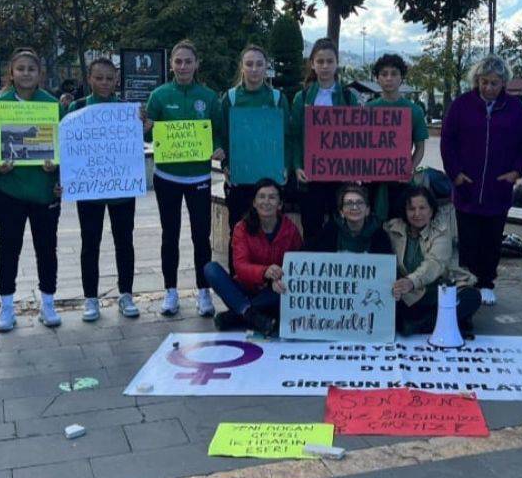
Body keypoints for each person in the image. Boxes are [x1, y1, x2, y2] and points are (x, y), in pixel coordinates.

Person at [440, 55, 522, 306]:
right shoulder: (461, 105)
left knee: (492, 239)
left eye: (494, 83)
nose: (488, 88)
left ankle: (486, 282)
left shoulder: (515, 109)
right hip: (466, 186)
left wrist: (516, 172)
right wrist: (455, 173)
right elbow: (447, 140)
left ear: (503, 83)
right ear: (476, 80)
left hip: (498, 187)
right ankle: (466, 282)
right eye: (484, 82)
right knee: (468, 239)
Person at [0, 48, 63, 332]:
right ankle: (7, 307)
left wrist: (56, 170)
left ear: (40, 73)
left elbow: (64, 148)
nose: (26, 73)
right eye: (21, 69)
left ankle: (48, 303)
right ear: (11, 73)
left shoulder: (53, 105)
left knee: (47, 249)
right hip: (10, 192)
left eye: (32, 68)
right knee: (8, 250)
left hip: (44, 193)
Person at [145, 39, 223, 318]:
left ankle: (204, 292)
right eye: (178, 61)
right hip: (166, 176)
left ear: (196, 64)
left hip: (199, 178)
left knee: (201, 236)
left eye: (188, 61)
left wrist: (219, 146)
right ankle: (170, 291)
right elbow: (146, 132)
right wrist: (145, 127)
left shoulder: (209, 97)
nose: (183, 66)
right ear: (171, 64)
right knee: (170, 234)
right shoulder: (159, 96)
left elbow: (219, 132)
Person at [67, 58, 141, 322]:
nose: (104, 83)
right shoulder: (76, 108)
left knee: (124, 242)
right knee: (90, 243)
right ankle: (90, 298)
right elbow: (68, 148)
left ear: (116, 80)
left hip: (121, 189)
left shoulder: (127, 110)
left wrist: (143, 127)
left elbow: (138, 142)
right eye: (99, 78)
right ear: (89, 78)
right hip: (89, 189)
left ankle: (126, 294)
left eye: (109, 79)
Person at [203, 178, 303, 336]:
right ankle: (251, 314)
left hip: (273, 290)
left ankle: (239, 313)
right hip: (245, 287)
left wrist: (281, 280)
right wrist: (264, 272)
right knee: (211, 269)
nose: (266, 202)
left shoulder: (290, 230)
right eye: (261, 197)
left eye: (272, 197)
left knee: (286, 293)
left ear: (280, 204)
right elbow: (240, 267)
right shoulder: (241, 228)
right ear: (254, 203)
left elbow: (299, 264)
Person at [290, 38, 361, 245]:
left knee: (341, 226)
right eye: (320, 61)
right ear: (312, 64)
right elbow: (295, 136)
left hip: (340, 175)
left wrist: (356, 166)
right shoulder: (301, 98)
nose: (325, 66)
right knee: (311, 226)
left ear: (337, 63)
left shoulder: (349, 98)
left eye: (329, 61)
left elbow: (357, 137)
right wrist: (297, 166)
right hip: (311, 177)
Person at [386, 186, 481, 337]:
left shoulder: (441, 230)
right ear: (404, 210)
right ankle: (450, 321)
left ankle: (422, 325)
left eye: (422, 208)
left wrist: (411, 281)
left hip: (438, 286)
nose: (417, 214)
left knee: (471, 297)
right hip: (409, 293)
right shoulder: (392, 228)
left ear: (431, 210)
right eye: (411, 209)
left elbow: (435, 263)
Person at [218, 44, 290, 237]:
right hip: (239, 178)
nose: (254, 69)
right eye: (249, 64)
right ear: (242, 66)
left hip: (269, 179)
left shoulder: (277, 98)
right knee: (238, 232)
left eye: (259, 64)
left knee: (270, 233)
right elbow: (222, 136)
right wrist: (225, 163)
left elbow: (288, 137)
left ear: (267, 66)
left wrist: (286, 166)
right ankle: (238, 269)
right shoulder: (230, 98)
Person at [367, 54, 428, 221]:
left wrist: (409, 168)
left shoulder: (414, 110)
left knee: (399, 223)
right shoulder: (368, 109)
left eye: (394, 73)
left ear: (401, 78)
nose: (389, 78)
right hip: (372, 179)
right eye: (384, 74)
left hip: (400, 179)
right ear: (377, 78)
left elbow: (420, 147)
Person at [308, 184, 393, 254]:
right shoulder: (329, 233)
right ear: (341, 212)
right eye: (349, 203)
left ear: (367, 210)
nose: (355, 207)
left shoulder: (380, 236)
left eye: (359, 202)